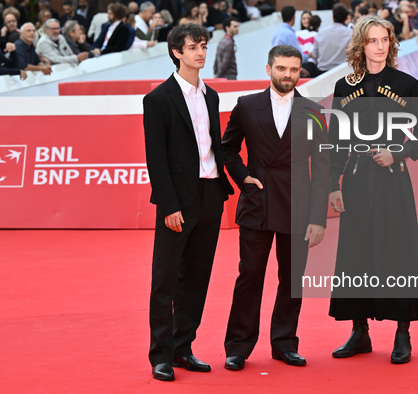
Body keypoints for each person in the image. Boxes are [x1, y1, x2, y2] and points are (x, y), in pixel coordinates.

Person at [328, 15, 418, 364]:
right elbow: (336, 139)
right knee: (356, 251)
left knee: (398, 251)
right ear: (361, 45)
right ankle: (360, 331)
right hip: (356, 180)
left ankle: (403, 332)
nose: (379, 46)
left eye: (384, 40)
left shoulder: (407, 84)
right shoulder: (346, 86)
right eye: (373, 40)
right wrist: (333, 184)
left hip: (393, 179)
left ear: (391, 44)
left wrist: (398, 151)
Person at [221, 44, 329, 371]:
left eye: (294, 70)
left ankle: (284, 343)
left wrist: (318, 219)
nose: (288, 75)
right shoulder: (246, 105)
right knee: (250, 275)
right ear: (268, 69)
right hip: (257, 204)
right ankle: (238, 347)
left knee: (292, 279)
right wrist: (244, 179)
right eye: (282, 69)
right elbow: (227, 150)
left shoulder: (314, 111)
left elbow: (322, 167)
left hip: (298, 206)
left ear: (301, 72)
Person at [143, 23, 234, 382]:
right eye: (193, 47)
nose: (201, 52)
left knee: (196, 278)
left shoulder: (211, 96)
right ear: (176, 52)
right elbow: (156, 159)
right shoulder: (158, 99)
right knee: (165, 280)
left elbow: (213, 146)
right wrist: (168, 206)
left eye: (203, 46)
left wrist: (224, 186)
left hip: (210, 196)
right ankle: (160, 355)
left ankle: (183, 348)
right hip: (177, 201)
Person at [312, 3, 352, 75]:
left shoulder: (321, 32)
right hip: (341, 72)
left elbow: (315, 54)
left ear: (332, 17)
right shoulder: (350, 33)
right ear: (346, 18)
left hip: (322, 73)